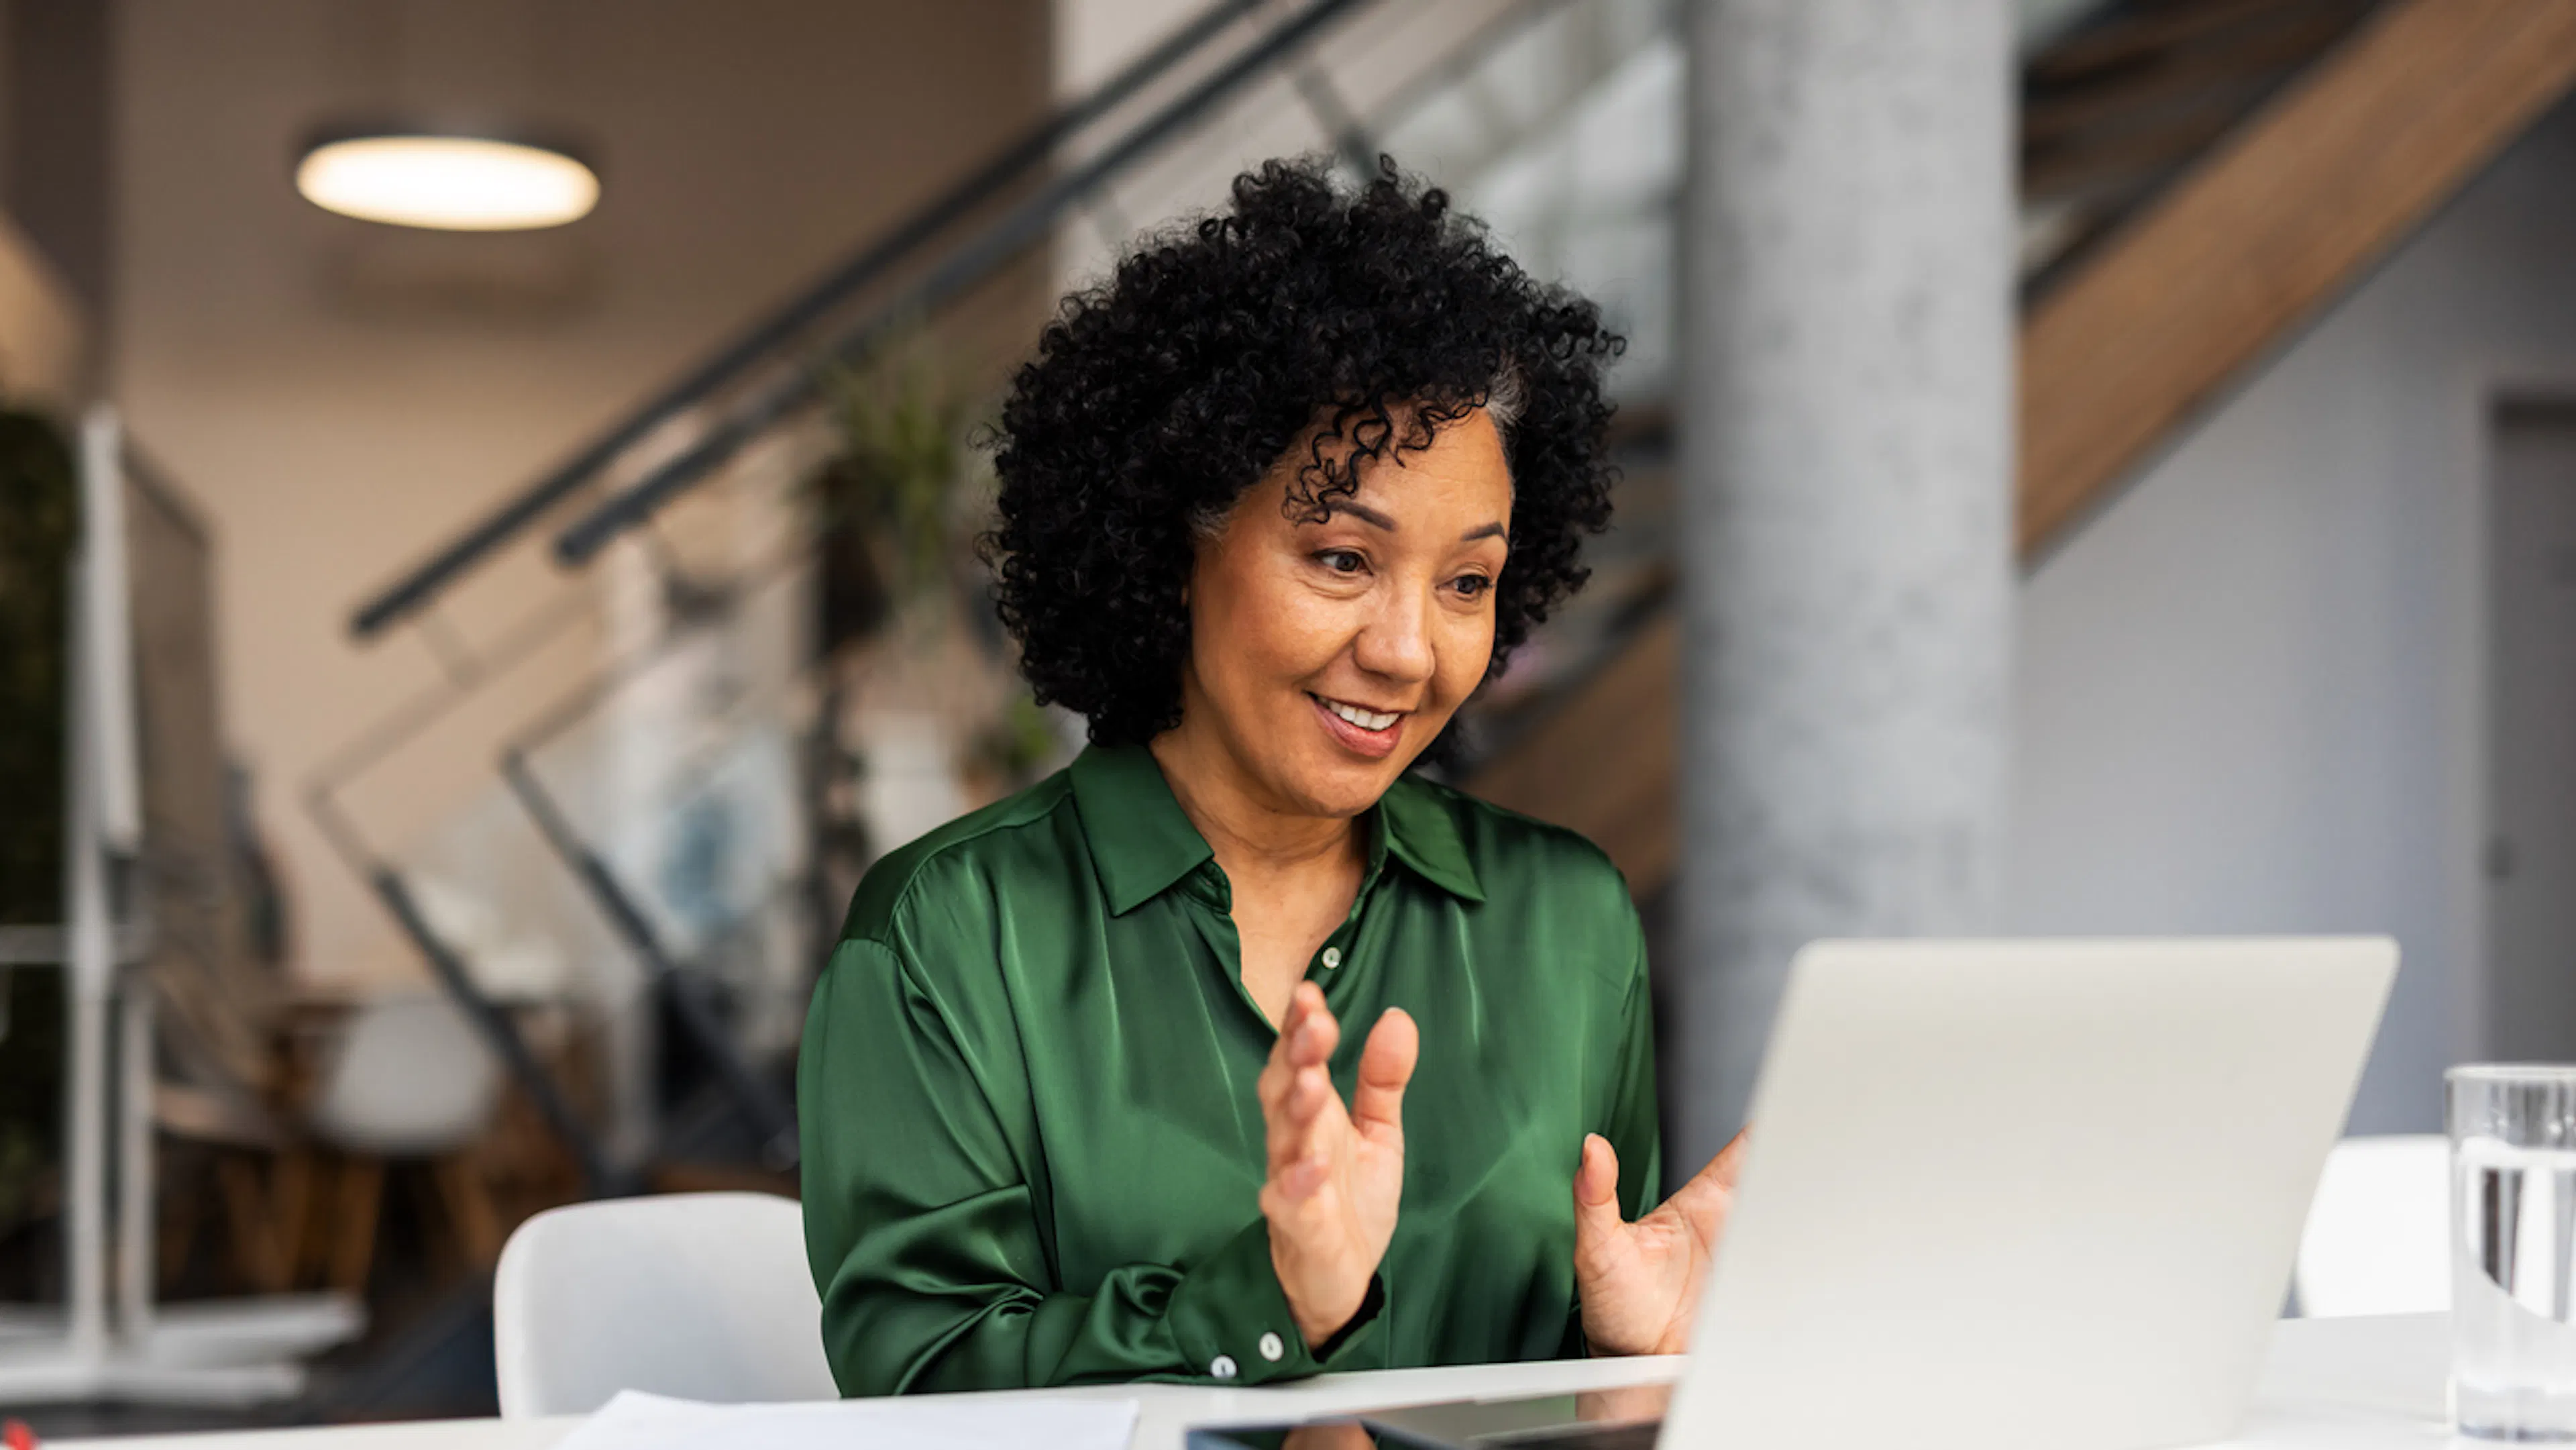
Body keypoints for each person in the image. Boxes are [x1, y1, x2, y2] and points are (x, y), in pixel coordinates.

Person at [799, 156, 1744, 1397]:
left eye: (1467, 582)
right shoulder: (951, 938)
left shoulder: (1566, 924)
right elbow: (918, 1391)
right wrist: (1270, 1306)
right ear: (1169, 544)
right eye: (1344, 559)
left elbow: (1548, 1400)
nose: (1409, 650)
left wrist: (1642, 1367)